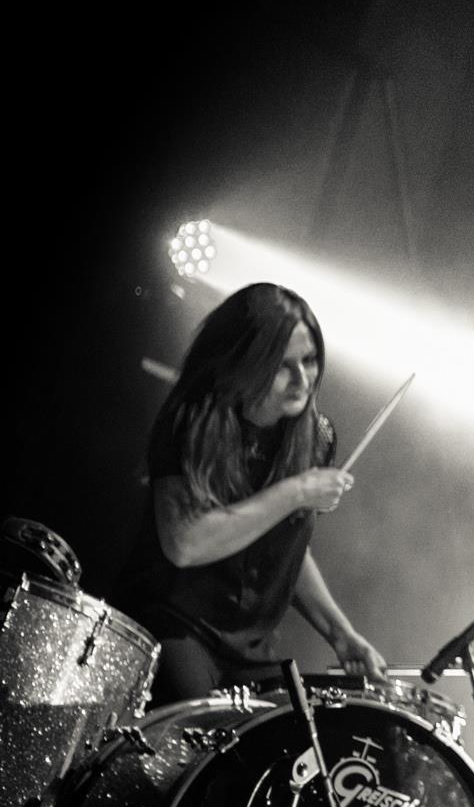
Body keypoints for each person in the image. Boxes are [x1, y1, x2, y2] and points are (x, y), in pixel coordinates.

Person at [112, 282, 387, 705]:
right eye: (282, 366)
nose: (302, 380)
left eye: (310, 361)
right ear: (245, 362)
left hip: (251, 650)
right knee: (200, 733)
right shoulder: (190, 423)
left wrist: (340, 633)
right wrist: (295, 491)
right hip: (174, 628)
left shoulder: (315, 438)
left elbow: (287, 547)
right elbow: (185, 544)